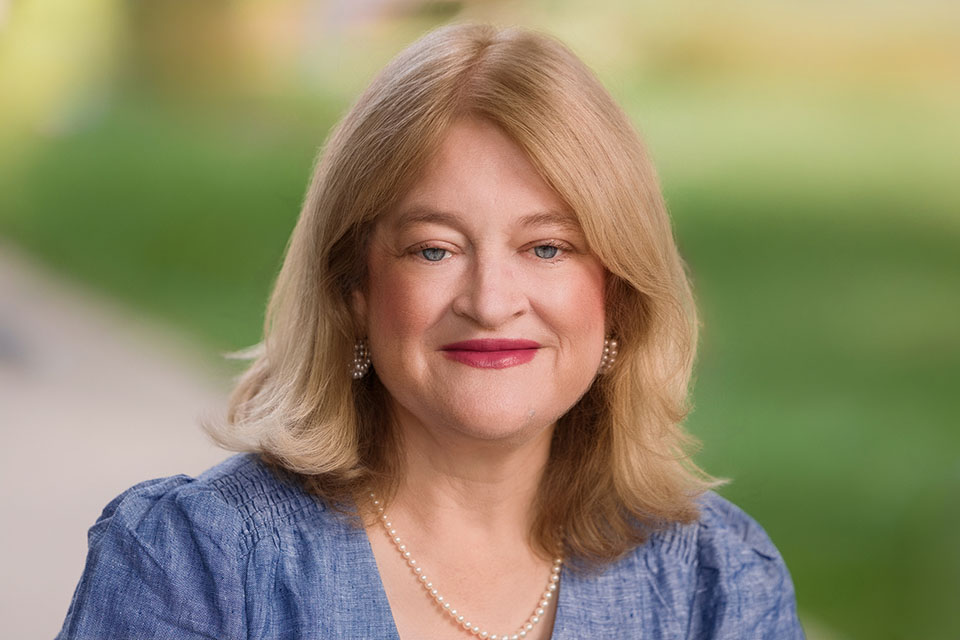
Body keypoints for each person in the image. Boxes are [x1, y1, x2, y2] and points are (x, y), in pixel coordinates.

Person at [57, 23, 804, 640]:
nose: (490, 301)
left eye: (547, 247)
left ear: (618, 292)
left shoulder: (716, 582)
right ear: (352, 287)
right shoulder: (195, 563)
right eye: (434, 249)